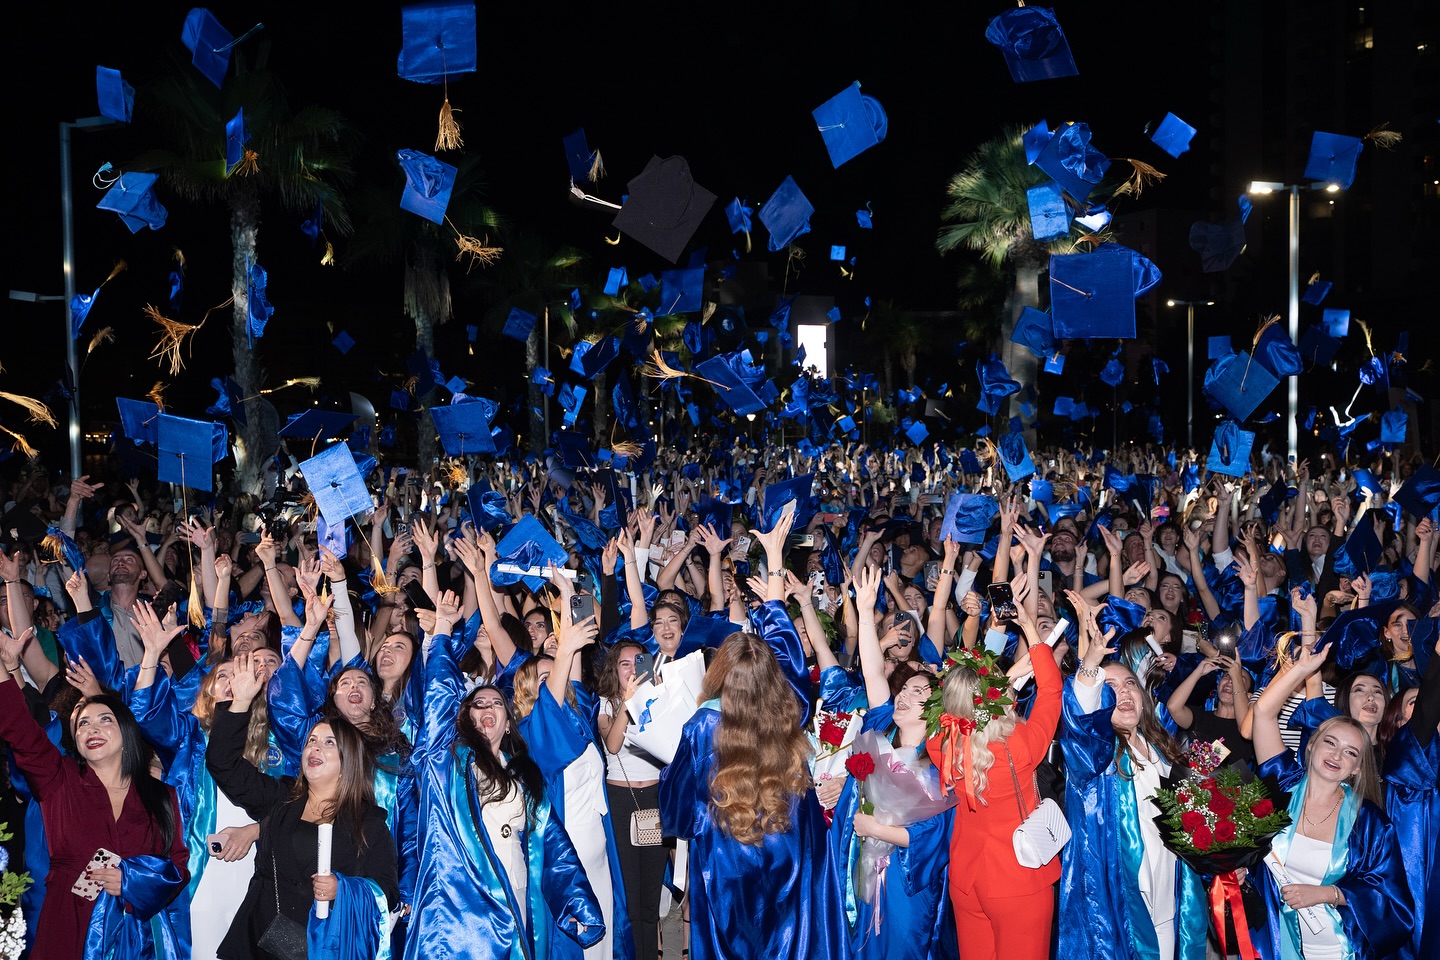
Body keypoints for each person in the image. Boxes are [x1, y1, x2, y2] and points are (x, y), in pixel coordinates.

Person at [658, 505, 848, 960]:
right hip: (791, 853)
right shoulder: (790, 713)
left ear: (720, 672)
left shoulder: (704, 725)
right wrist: (776, 577)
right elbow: (791, 664)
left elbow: (679, 810)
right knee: (793, 943)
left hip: (728, 864)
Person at [405, 590, 604, 960]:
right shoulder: (445, 764)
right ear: (464, 720)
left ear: (509, 723)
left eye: (496, 702)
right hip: (460, 919)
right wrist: (443, 630)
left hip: (514, 903)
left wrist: (578, 904)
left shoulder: (523, 779)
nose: (487, 708)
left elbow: (555, 846)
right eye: (477, 704)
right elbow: (437, 701)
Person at [0, 626, 189, 960]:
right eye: (83, 724)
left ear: (126, 732)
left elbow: (178, 868)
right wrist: (5, 666)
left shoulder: (162, 796)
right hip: (66, 926)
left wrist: (132, 883)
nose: (92, 729)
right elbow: (19, 728)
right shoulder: (59, 778)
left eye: (105, 720)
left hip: (135, 939)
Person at [206, 651, 398, 960]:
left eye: (328, 743)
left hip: (322, 949)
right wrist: (240, 702)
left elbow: (386, 891)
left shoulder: (370, 823)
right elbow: (223, 765)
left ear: (348, 759)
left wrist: (344, 890)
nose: (315, 747)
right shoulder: (281, 798)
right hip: (257, 943)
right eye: (311, 740)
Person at [1059, 598, 1207, 960]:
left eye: (1129, 685)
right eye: (1110, 687)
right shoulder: (1096, 755)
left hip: (1169, 889)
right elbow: (1080, 722)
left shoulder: (1161, 749)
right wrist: (1091, 664)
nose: (1122, 692)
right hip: (1122, 897)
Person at [926, 579, 1064, 960]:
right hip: (1018, 881)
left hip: (967, 882)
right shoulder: (1018, 746)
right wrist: (1031, 629)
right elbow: (1052, 691)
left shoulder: (940, 743)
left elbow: (952, 697)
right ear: (994, 698)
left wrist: (989, 686)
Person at [1249, 644, 1414, 960]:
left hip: (1337, 949)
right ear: (1311, 746)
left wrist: (1329, 894)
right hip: (1272, 943)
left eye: (1351, 753)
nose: (1338, 755)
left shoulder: (1371, 824)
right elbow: (1263, 712)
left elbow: (1395, 905)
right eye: (1330, 743)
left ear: (1356, 767)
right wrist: (1299, 669)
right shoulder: (1281, 785)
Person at [831, 565, 955, 960]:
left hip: (906, 885)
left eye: (918, 693)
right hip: (860, 870)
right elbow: (872, 672)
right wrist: (866, 614)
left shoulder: (940, 763)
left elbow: (937, 836)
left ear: (935, 709)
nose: (903, 696)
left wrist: (880, 829)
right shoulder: (882, 729)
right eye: (904, 689)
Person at [513, 570, 631, 960]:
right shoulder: (532, 731)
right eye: (545, 680)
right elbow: (555, 695)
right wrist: (561, 651)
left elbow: (574, 670)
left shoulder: (577, 720)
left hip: (599, 847)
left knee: (607, 939)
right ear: (530, 692)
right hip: (569, 856)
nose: (556, 685)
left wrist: (569, 596)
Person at [596, 640, 668, 960]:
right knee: (630, 895)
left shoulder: (659, 701)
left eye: (637, 661)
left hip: (654, 798)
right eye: (624, 663)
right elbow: (612, 745)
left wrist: (660, 697)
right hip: (621, 799)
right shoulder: (607, 703)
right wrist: (626, 703)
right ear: (615, 669)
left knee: (650, 897)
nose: (631, 668)